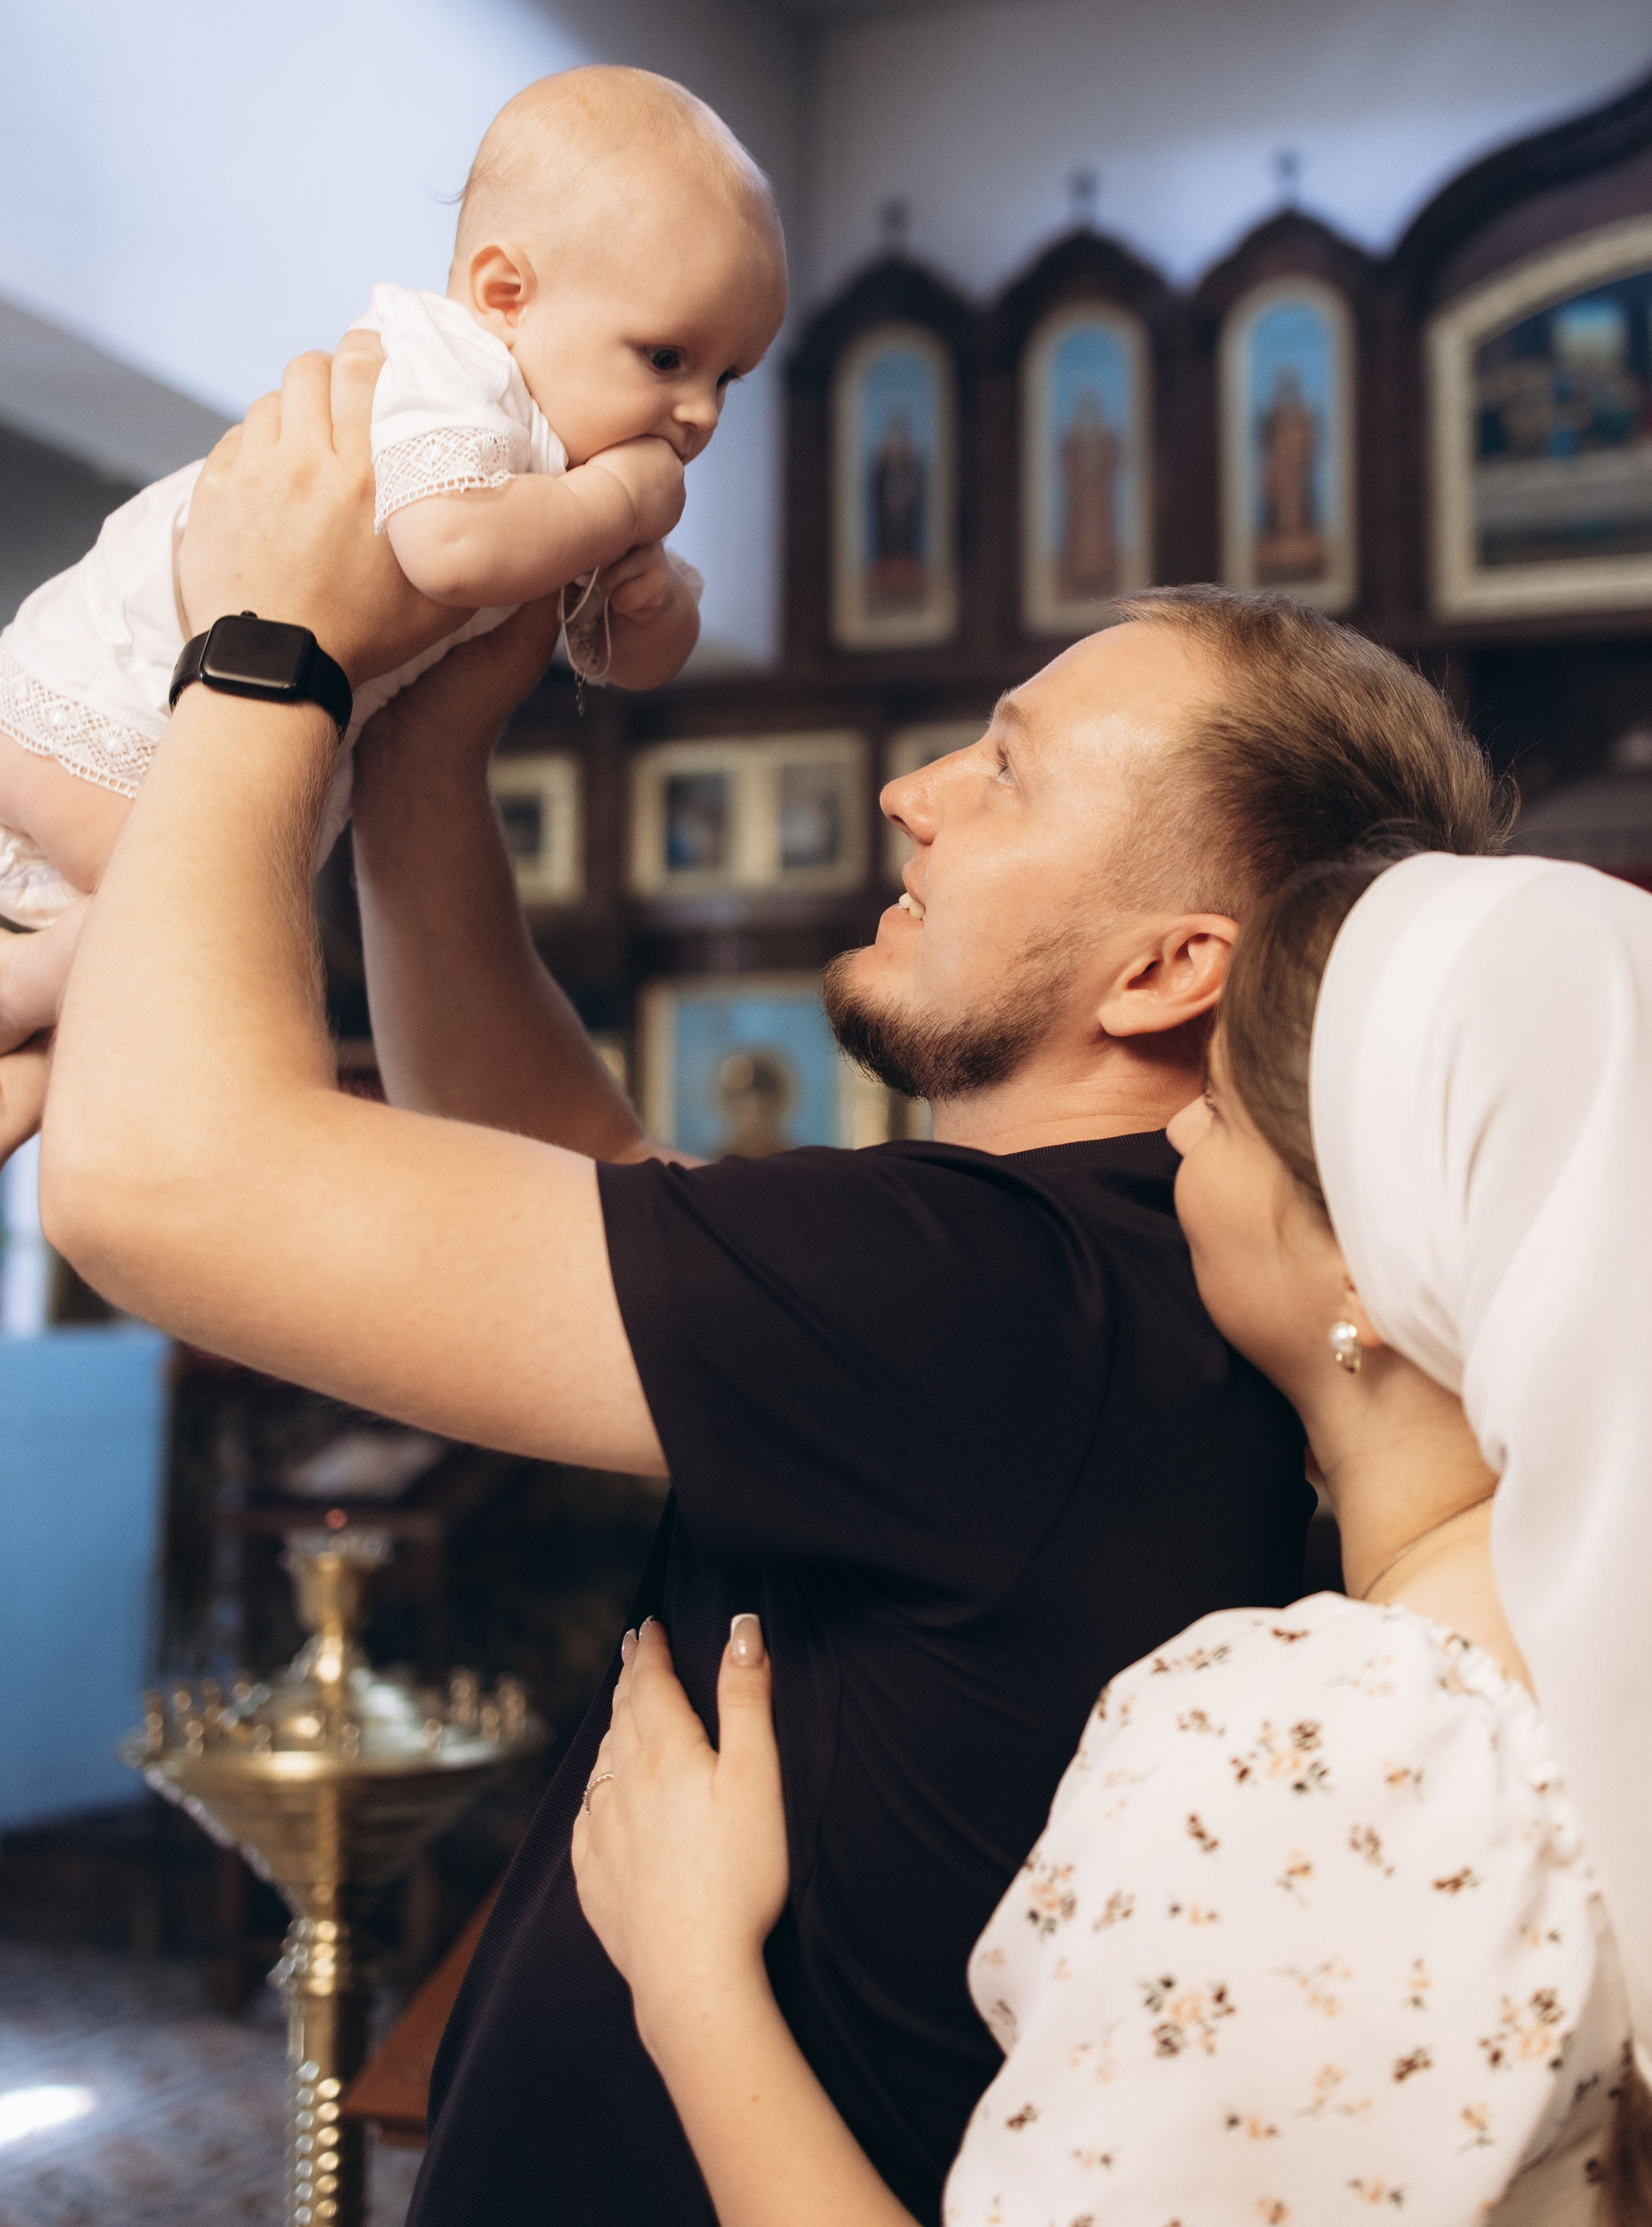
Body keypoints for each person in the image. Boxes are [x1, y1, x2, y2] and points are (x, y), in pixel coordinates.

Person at [38, 342, 1508, 2226]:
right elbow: (578, 1202)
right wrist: (427, 754)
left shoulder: (995, 1299)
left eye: (1005, 770)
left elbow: (164, 1181)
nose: (912, 792)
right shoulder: (1076, 1279)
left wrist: (270, 652)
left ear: (1167, 972)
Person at [572, 847, 1652, 2225]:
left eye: (1224, 1106)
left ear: (1369, 1270)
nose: (1180, 1136)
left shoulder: (1338, 1746)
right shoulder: (1577, 1651)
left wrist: (688, 1975)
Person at [0, 65, 785, 1267]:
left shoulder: (580, 468)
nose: (696, 415)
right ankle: (4, 988)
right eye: (668, 358)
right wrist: (618, 500)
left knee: (172, 959)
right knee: (205, 945)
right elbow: (454, 546)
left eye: (729, 377)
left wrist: (652, 600)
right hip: (93, 696)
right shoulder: (450, 373)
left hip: (224, 730)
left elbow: (628, 661)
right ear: (503, 292)